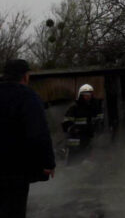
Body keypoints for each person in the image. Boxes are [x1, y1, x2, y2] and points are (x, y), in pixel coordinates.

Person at [0, 59, 55, 218]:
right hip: (16, 170)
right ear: (25, 77)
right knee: (13, 210)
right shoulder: (28, 97)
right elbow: (39, 133)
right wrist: (48, 163)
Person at [62, 84, 104, 165]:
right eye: (86, 95)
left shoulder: (95, 108)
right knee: (73, 164)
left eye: (90, 95)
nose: (88, 97)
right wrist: (73, 129)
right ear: (81, 95)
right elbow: (66, 123)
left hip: (88, 141)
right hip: (75, 142)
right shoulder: (74, 109)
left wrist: (97, 128)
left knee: (88, 165)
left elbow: (99, 121)